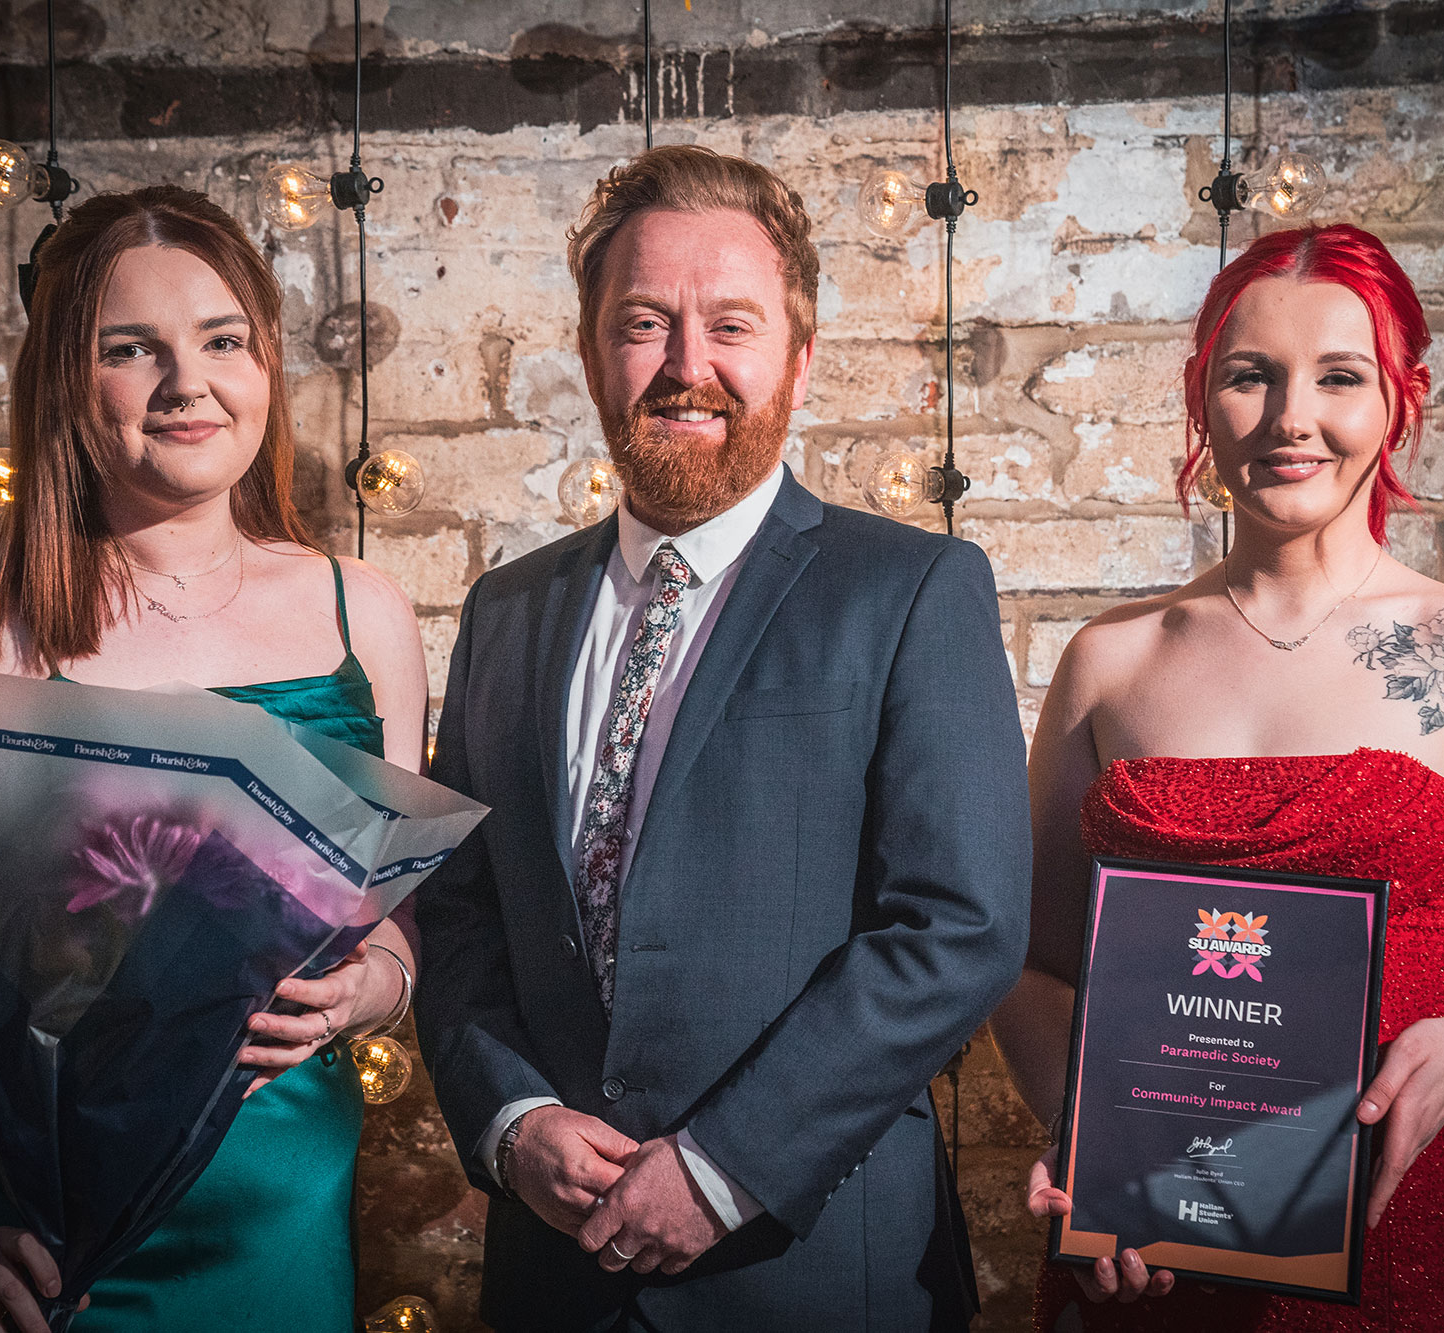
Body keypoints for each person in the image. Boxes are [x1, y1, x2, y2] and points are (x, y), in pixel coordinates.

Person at [0, 185, 428, 1333]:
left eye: (224, 341)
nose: (189, 383)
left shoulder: (358, 612)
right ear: (65, 382)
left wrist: (382, 984)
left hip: (286, 1241)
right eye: (132, 350)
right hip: (29, 1250)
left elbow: (386, 914)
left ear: (266, 364)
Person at [412, 145, 1031, 1331]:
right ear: (593, 350)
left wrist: (721, 1166)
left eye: (730, 327)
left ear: (798, 360)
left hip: (809, 1271)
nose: (687, 368)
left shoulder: (910, 590)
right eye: (644, 323)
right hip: (553, 1278)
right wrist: (509, 1119)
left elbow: (961, 925)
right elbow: (458, 906)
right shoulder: (508, 608)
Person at [988, 223, 1444, 1331]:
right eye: (1250, 376)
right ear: (1201, 398)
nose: (1292, 418)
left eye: (1338, 377)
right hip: (1154, 1237)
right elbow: (1035, 964)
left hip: (1418, 1222)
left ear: (1401, 399)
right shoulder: (1110, 658)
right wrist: (1090, 1144)